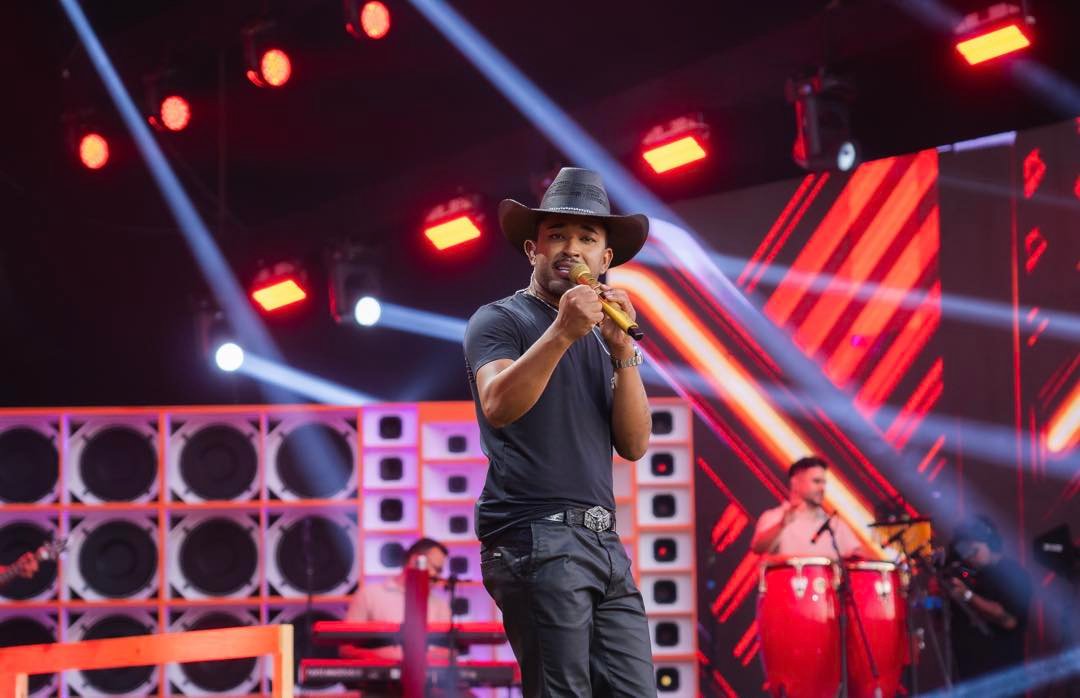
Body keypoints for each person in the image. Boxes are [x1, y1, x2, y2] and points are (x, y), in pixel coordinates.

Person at [464, 167, 655, 696]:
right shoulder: (500, 319)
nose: (572, 249)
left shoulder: (601, 337)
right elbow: (498, 404)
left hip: (603, 542)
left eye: (587, 238)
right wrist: (563, 331)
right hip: (536, 535)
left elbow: (635, 445)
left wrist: (623, 354)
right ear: (533, 250)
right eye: (557, 236)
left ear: (605, 259)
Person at [947, 515, 1032, 683]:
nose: (968, 556)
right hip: (967, 677)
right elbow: (941, 625)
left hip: (1002, 678)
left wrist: (968, 596)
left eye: (974, 550)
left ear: (991, 543)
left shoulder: (1013, 574)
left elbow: (1008, 620)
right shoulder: (968, 576)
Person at [342, 537, 452, 661]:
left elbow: (450, 651)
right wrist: (383, 657)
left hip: (427, 673)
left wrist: (423, 658)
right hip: (379, 673)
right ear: (415, 560)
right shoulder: (369, 595)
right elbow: (346, 650)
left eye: (440, 571)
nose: (437, 576)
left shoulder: (440, 605)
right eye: (436, 569)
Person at [750, 456, 870, 559]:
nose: (822, 488)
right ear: (795, 483)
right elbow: (758, 549)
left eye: (824, 482)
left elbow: (860, 556)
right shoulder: (774, 517)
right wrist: (781, 525)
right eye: (816, 481)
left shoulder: (834, 524)